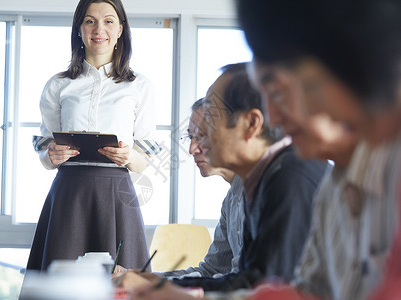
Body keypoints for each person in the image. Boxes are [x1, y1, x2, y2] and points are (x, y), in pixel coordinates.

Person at [235, 0, 401, 299]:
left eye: (280, 90)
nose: (274, 117)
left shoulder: (390, 157)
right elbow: (311, 292)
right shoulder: (331, 189)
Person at [123, 62, 328, 298]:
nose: (196, 143)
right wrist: (161, 285)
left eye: (210, 117)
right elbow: (248, 279)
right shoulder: (266, 177)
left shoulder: (291, 179)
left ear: (251, 124)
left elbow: (270, 290)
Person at [26, 0, 159, 272]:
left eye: (109, 21)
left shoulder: (140, 86)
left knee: (119, 284)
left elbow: (144, 161)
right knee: (61, 286)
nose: (99, 29)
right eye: (90, 21)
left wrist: (129, 156)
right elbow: (44, 154)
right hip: (68, 194)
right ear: (79, 29)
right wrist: (50, 156)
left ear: (121, 29)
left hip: (117, 195)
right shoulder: (58, 84)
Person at [114, 98, 246, 278]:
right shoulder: (231, 200)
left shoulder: (263, 194)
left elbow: (244, 282)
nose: (192, 149)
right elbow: (211, 271)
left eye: (202, 136)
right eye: (191, 137)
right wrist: (143, 278)